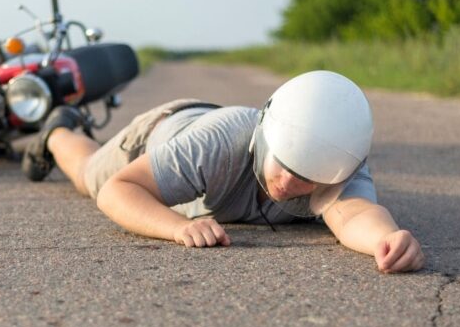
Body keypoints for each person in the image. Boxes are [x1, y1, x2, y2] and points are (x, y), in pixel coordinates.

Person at [21, 70, 425, 273]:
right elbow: (117, 189)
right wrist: (176, 227)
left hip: (207, 131)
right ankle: (58, 128)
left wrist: (386, 240)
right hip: (164, 130)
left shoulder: (338, 157)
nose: (287, 184)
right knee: (86, 173)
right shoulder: (218, 146)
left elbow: (355, 214)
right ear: (267, 137)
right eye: (281, 165)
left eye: (306, 178)